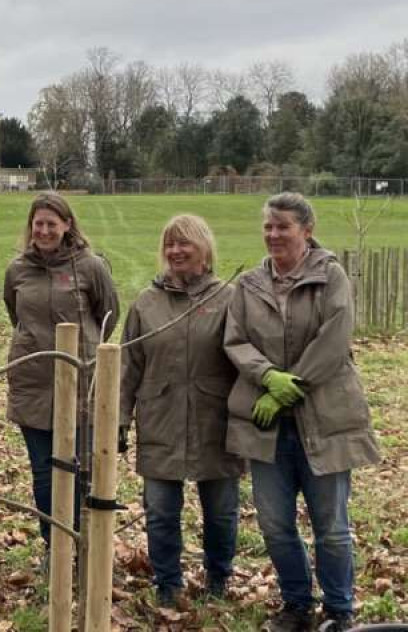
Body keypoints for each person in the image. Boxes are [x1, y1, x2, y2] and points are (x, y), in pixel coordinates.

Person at [224, 193, 380, 632]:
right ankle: (296, 604)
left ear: (306, 231)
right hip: (267, 430)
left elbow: (335, 339)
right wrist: (266, 376)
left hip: (326, 420)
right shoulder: (249, 284)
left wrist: (289, 389)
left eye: (283, 227)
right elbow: (235, 340)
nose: (274, 234)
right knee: (274, 525)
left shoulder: (331, 277)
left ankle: (338, 610)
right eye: (269, 227)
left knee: (331, 526)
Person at [120, 215, 242, 606]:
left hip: (216, 424)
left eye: (184, 243)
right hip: (160, 420)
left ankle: (218, 578)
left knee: (221, 513)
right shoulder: (146, 303)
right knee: (160, 512)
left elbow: (247, 359)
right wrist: (119, 418)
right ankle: (168, 585)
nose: (176, 251)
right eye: (170, 244)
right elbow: (127, 366)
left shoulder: (228, 298)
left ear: (204, 249)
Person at [3, 193, 119, 553]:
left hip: (82, 383)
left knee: (81, 471)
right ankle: (55, 547)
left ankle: (85, 546)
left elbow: (108, 316)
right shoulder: (17, 269)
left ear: (67, 225)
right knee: (45, 475)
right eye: (39, 223)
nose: (45, 230)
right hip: (33, 383)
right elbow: (14, 312)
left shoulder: (91, 266)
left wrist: (83, 350)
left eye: (52, 223)